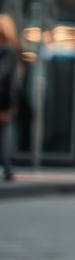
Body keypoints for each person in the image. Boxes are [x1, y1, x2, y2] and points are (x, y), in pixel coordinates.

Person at [0, 14, 18, 182]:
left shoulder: (8, 50)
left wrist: (5, 108)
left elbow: (4, 78)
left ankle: (8, 170)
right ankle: (8, 170)